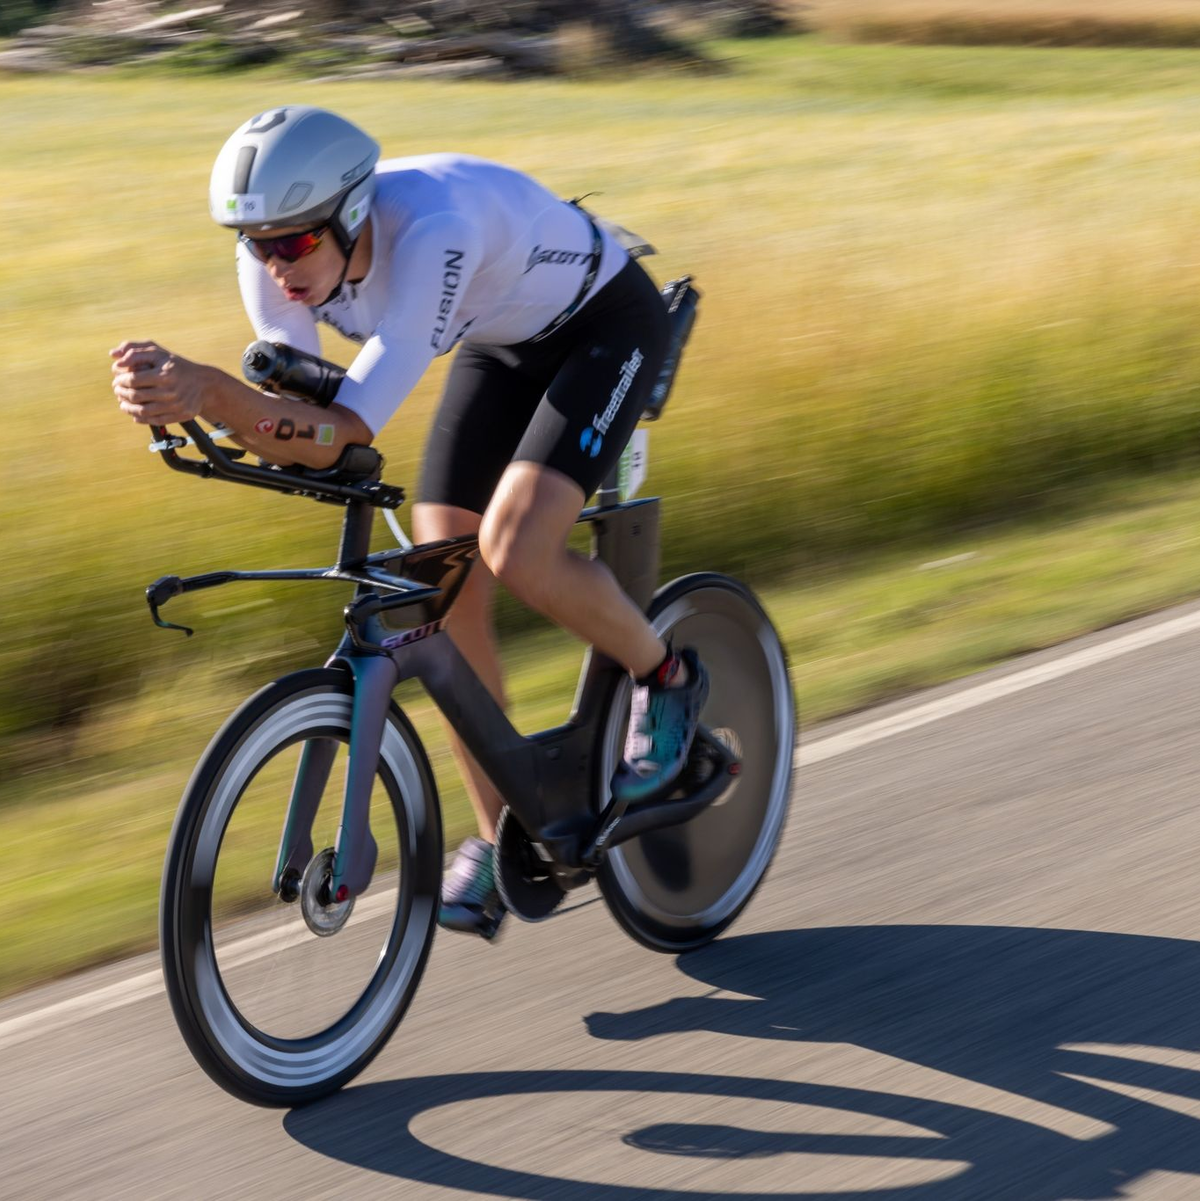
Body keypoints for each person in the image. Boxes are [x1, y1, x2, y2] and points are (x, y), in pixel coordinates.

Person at [110, 105, 708, 939]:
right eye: (254, 243)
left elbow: (350, 429)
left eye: (292, 243)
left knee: (515, 546)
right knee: (443, 567)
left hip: (604, 323)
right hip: (501, 338)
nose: (274, 266)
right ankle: (506, 835)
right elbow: (298, 420)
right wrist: (188, 402)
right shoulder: (275, 263)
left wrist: (215, 393)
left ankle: (668, 677)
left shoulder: (432, 233)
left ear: (350, 212)